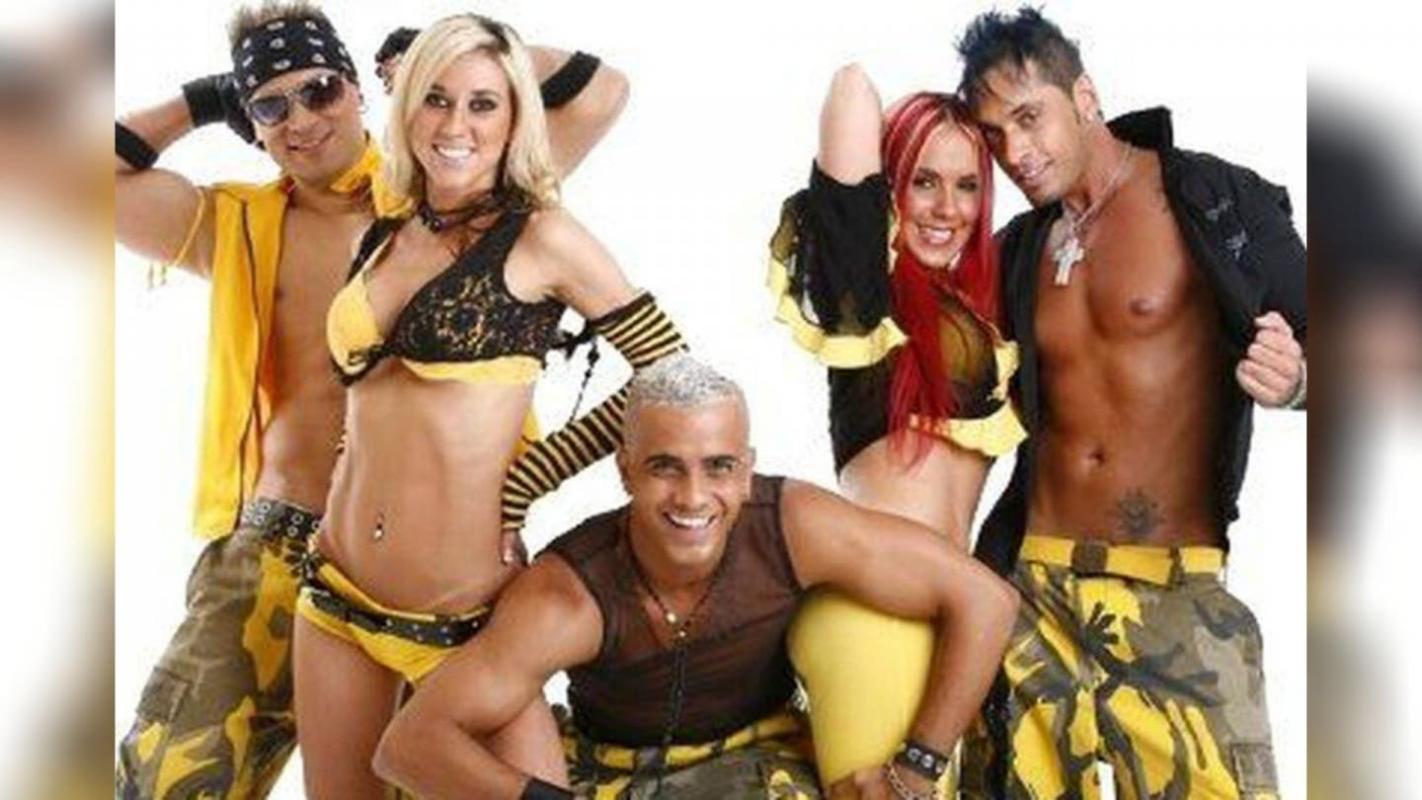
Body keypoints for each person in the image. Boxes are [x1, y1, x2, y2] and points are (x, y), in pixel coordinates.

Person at [113, 1, 628, 795]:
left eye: (319, 90)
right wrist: (205, 98)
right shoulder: (231, 225)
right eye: (269, 105)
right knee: (161, 780)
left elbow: (601, 91)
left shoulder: (456, 189)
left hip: (446, 567)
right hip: (276, 548)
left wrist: (447, 56)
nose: (300, 119)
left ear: (360, 90)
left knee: (441, 775)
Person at [294, 14, 686, 799]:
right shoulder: (386, 229)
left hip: (465, 625)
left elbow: (671, 375)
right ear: (407, 107)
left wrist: (533, 477)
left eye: (483, 104)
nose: (455, 126)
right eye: (435, 98)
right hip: (335, 594)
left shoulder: (542, 238)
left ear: (515, 119)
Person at [368, 355, 1017, 799]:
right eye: (665, 467)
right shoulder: (570, 593)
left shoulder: (793, 526)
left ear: (748, 469)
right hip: (614, 772)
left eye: (719, 466)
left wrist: (916, 767)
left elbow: (984, 600)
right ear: (625, 471)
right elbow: (408, 745)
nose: (693, 497)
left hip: (762, 759)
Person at [951, 9, 1306, 799]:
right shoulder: (1018, 250)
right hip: (1031, 595)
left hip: (1171, 593)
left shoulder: (1214, 200)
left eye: (1029, 118)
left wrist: (1299, 382)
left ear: (1085, 96)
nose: (1016, 152)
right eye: (995, 135)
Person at [766, 64, 1026, 792]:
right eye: (923, 181)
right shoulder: (864, 294)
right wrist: (955, 108)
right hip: (872, 616)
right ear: (889, 190)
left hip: (951, 620)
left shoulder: (982, 312)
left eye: (967, 185)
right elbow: (850, 88)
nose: (947, 207)